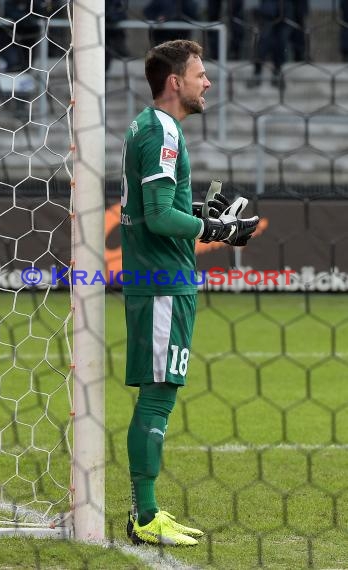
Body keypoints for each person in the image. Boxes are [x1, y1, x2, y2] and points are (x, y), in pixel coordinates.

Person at [120, 39, 259, 546]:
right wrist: (215, 229)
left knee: (159, 396)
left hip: (157, 280)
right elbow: (158, 217)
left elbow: (162, 206)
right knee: (157, 399)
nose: (208, 83)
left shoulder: (147, 125)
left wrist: (202, 215)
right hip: (162, 282)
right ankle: (145, 515)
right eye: (200, 74)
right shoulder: (161, 128)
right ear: (175, 81)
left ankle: (148, 511)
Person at [247, 0, 293, 89]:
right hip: (268, 13)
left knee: (281, 42)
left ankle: (277, 73)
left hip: (284, 12)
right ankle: (257, 73)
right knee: (264, 41)